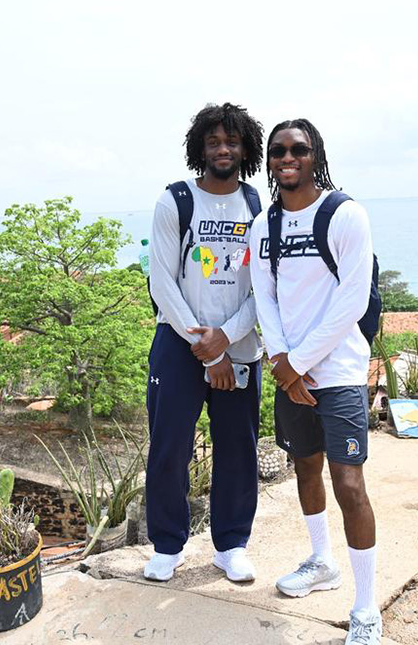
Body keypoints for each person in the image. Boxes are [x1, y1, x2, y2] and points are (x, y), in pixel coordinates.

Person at [249, 119, 381, 644]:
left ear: (314, 154)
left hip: (340, 371)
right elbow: (266, 297)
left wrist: (296, 363)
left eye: (298, 150)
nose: (287, 158)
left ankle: (366, 608)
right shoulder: (267, 225)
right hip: (290, 373)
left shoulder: (346, 214)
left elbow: (352, 299)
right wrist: (282, 360)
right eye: (278, 150)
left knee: (349, 484)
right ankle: (321, 562)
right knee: (305, 468)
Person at [144, 103, 264, 583]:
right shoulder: (175, 201)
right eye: (214, 141)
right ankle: (167, 546)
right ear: (200, 148)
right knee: (170, 446)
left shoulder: (259, 208)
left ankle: (231, 544)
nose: (223, 149)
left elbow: (266, 290)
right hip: (178, 341)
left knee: (238, 446)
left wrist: (228, 338)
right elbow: (161, 283)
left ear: (246, 148)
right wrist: (205, 344)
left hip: (239, 343)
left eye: (231, 141)